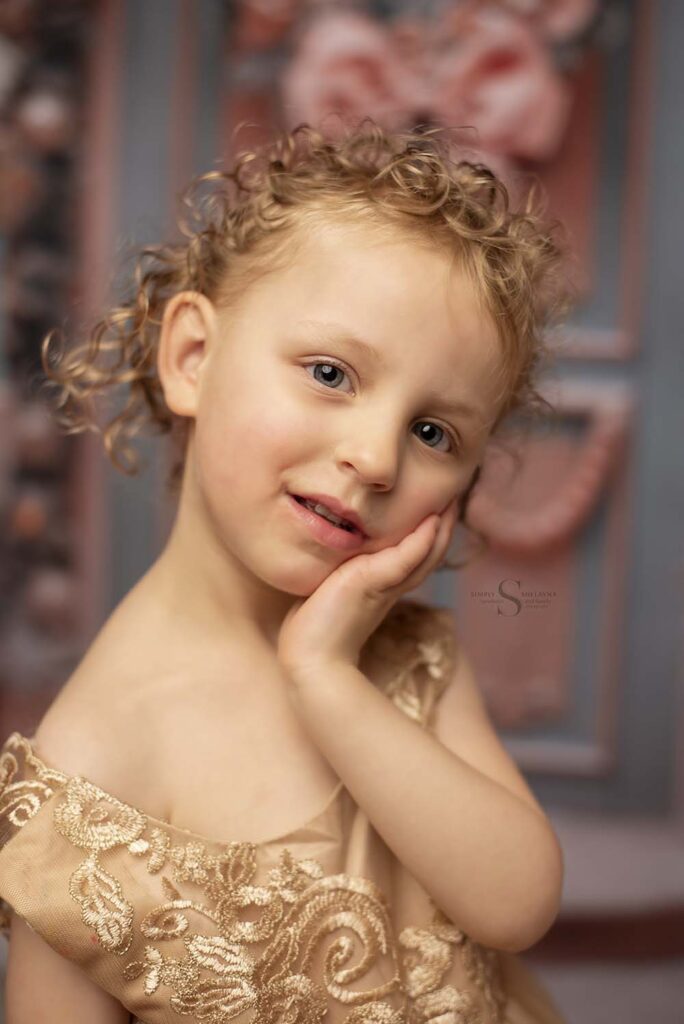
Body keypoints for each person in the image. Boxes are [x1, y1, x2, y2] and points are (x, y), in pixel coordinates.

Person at [0, 119, 569, 1023]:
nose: (378, 457)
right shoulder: (95, 772)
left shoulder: (405, 653)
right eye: (332, 374)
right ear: (193, 357)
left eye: (434, 433)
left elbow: (517, 905)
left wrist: (326, 679)